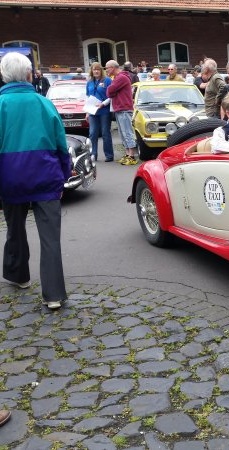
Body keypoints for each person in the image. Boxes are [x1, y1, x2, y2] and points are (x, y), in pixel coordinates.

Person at [0, 52, 70, 310]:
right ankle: (53, 294)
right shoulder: (44, 103)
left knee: (14, 228)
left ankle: (19, 276)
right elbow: (61, 143)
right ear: (29, 74)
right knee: (50, 237)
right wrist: (63, 174)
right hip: (45, 174)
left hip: (10, 177)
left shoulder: (0, 105)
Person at [105, 60, 138, 165]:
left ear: (113, 67)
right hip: (120, 108)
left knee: (127, 132)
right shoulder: (118, 78)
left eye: (107, 68)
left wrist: (111, 89)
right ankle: (128, 154)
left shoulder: (121, 78)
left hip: (124, 108)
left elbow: (109, 92)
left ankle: (132, 156)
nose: (106, 70)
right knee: (123, 133)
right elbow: (110, 92)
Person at [85, 62, 113, 162]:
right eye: (94, 69)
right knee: (92, 133)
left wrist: (103, 104)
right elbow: (87, 97)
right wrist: (87, 112)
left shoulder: (107, 80)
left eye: (98, 69)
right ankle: (93, 154)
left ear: (101, 70)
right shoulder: (89, 82)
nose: (96, 71)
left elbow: (111, 96)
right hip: (93, 111)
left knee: (105, 133)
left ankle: (109, 155)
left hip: (104, 110)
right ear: (91, 71)